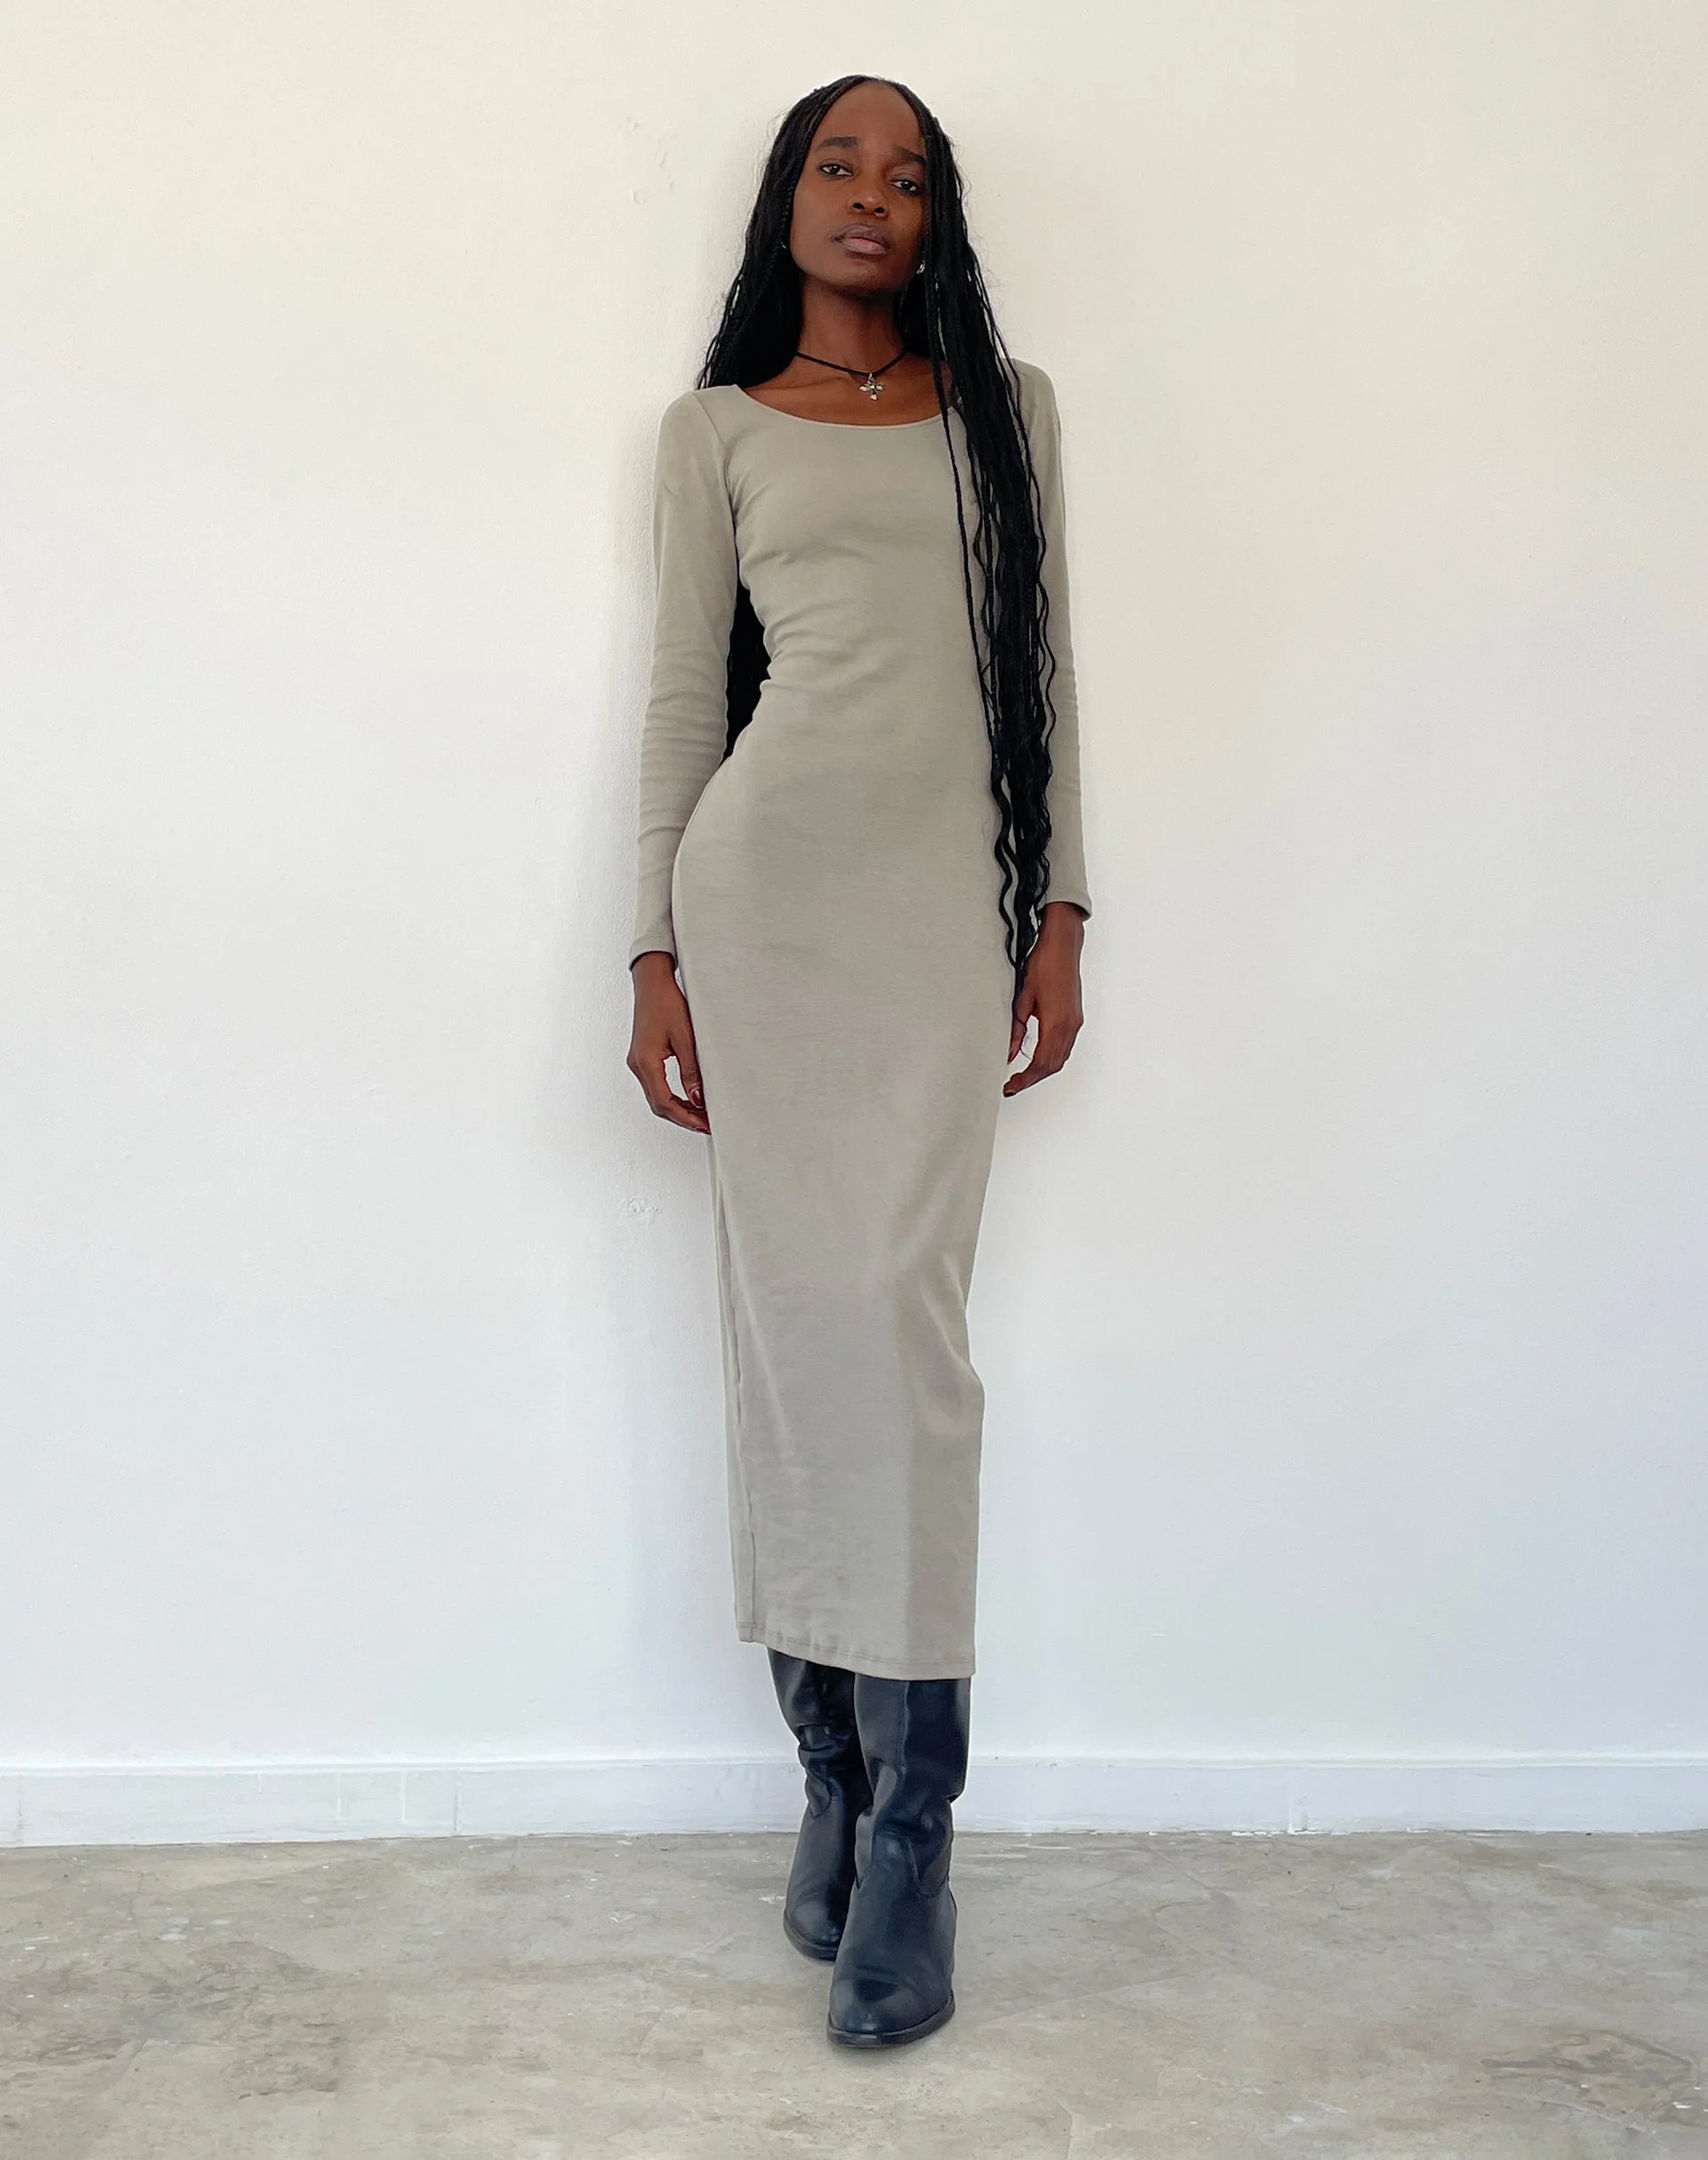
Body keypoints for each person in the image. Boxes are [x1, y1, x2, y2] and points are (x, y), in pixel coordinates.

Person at [624, 72, 1092, 2048]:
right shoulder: (717, 430)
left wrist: (1064, 907)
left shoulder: (1008, 412)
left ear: (934, 217)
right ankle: (831, 1779)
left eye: (906, 176)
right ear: (789, 200)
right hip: (764, 908)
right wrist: (653, 947)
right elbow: (683, 695)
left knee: (903, 1339)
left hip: (940, 920)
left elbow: (1042, 667)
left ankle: (917, 1833)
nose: (871, 198)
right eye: (839, 165)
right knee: (790, 1342)